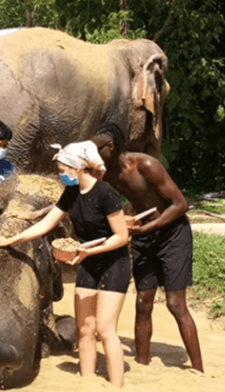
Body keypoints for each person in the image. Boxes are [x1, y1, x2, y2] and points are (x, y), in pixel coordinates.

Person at [0, 141, 131, 388]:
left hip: (113, 263)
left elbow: (121, 237)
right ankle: (87, 385)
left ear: (77, 168)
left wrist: (88, 251)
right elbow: (47, 224)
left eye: (62, 169)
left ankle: (116, 389)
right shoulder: (71, 193)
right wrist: (12, 239)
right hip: (87, 260)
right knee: (85, 329)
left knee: (105, 328)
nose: (60, 174)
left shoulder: (106, 194)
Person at [91, 122, 204, 373]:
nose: (91, 153)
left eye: (95, 149)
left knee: (175, 304)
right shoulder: (105, 173)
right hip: (144, 236)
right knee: (143, 301)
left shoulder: (146, 166)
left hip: (173, 234)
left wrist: (146, 229)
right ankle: (142, 366)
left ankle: (199, 370)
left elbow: (180, 204)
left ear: (110, 147)